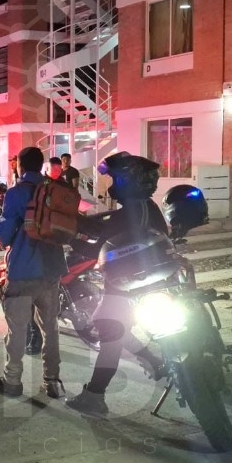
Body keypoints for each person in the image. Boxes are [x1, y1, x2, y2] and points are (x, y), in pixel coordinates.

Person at [65, 153, 169, 416]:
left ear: (128, 181)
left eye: (115, 179)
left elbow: (99, 246)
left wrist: (69, 238)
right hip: (152, 282)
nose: (112, 185)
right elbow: (106, 227)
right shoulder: (146, 208)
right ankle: (154, 362)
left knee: (108, 329)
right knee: (117, 328)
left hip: (127, 284)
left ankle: (94, 396)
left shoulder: (133, 213)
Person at [0, 146, 68, 399]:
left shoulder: (16, 193)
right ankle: (52, 381)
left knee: (18, 328)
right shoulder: (53, 189)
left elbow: (5, 234)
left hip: (23, 268)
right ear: (41, 165)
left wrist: (2, 232)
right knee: (50, 328)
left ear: (20, 166)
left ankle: (12, 381)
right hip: (52, 268)